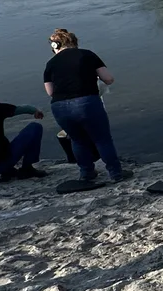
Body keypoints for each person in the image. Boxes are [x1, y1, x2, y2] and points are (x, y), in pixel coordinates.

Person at [43, 28, 125, 183]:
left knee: (77, 140)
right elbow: (108, 79)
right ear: (74, 42)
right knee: (102, 139)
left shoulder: (50, 64)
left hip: (59, 107)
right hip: (86, 102)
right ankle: (116, 174)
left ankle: (86, 173)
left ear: (55, 46)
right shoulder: (87, 54)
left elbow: (50, 92)